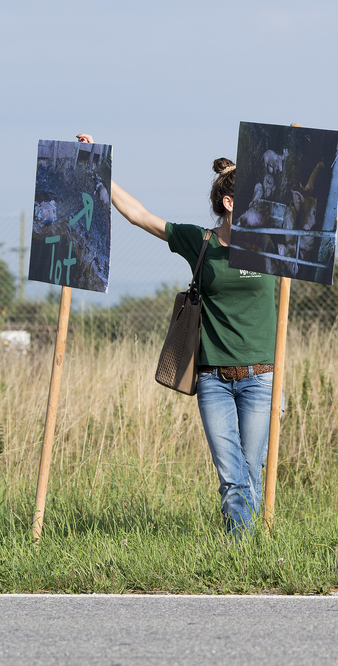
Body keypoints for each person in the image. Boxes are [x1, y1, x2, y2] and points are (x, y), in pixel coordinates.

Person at [77, 135, 277, 538]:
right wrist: (100, 168)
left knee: (252, 473)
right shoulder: (199, 241)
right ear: (230, 203)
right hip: (213, 380)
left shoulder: (275, 243)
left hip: (262, 377)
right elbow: (141, 216)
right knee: (232, 477)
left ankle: (250, 551)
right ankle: (242, 553)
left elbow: (317, 231)